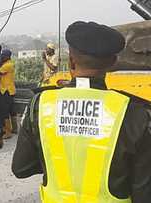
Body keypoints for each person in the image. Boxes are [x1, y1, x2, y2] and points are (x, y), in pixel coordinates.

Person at [12, 21, 151, 202]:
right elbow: (143, 192)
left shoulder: (40, 105)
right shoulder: (133, 112)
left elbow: (21, 169)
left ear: (70, 60)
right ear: (113, 63)